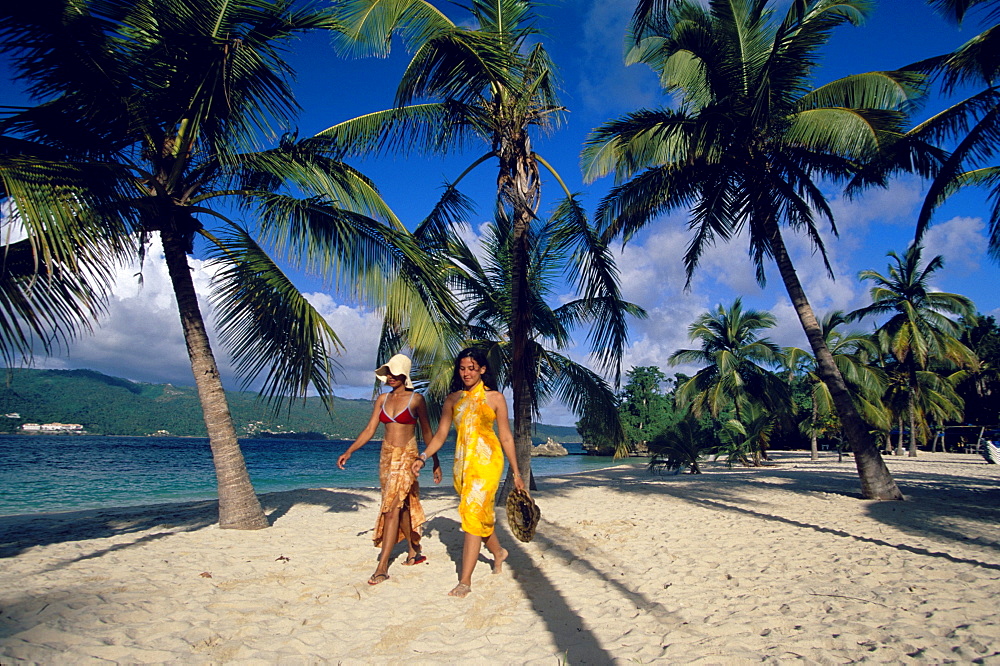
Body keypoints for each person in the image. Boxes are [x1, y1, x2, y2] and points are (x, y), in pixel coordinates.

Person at [412, 347, 525, 598]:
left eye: (472, 368)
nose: (466, 373)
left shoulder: (495, 398)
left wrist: (516, 472)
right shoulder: (453, 400)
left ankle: (465, 580)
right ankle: (498, 552)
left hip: (488, 463)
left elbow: (505, 436)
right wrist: (423, 457)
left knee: (472, 514)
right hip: (462, 464)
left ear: (482, 369)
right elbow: (441, 435)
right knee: (479, 514)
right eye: (462, 368)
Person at [337, 354, 441, 585]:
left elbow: (427, 432)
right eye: (388, 373)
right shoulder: (382, 399)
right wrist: (349, 451)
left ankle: (382, 566)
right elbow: (369, 430)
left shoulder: (416, 400)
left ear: (403, 374)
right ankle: (414, 550)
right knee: (398, 503)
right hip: (386, 456)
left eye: (394, 373)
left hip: (407, 455)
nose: (389, 377)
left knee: (392, 508)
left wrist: (434, 461)